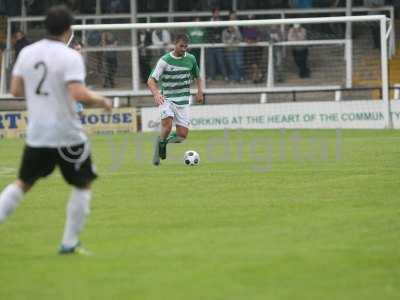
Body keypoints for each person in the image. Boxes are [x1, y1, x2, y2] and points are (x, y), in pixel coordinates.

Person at [0, 5, 113, 255]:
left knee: (22, 183)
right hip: (67, 135)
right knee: (82, 185)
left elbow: (16, 91)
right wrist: (103, 101)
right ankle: (70, 242)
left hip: (38, 134)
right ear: (68, 29)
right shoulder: (69, 56)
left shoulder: (28, 53)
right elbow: (79, 94)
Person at [147, 34, 204, 166]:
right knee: (167, 127)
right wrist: (156, 94)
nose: (184, 49)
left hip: (183, 101)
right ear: (174, 44)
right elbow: (151, 80)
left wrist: (200, 92)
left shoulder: (191, 59)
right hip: (166, 99)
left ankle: (162, 142)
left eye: (186, 46)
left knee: (182, 136)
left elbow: (198, 77)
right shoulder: (164, 60)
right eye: (181, 46)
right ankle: (159, 147)